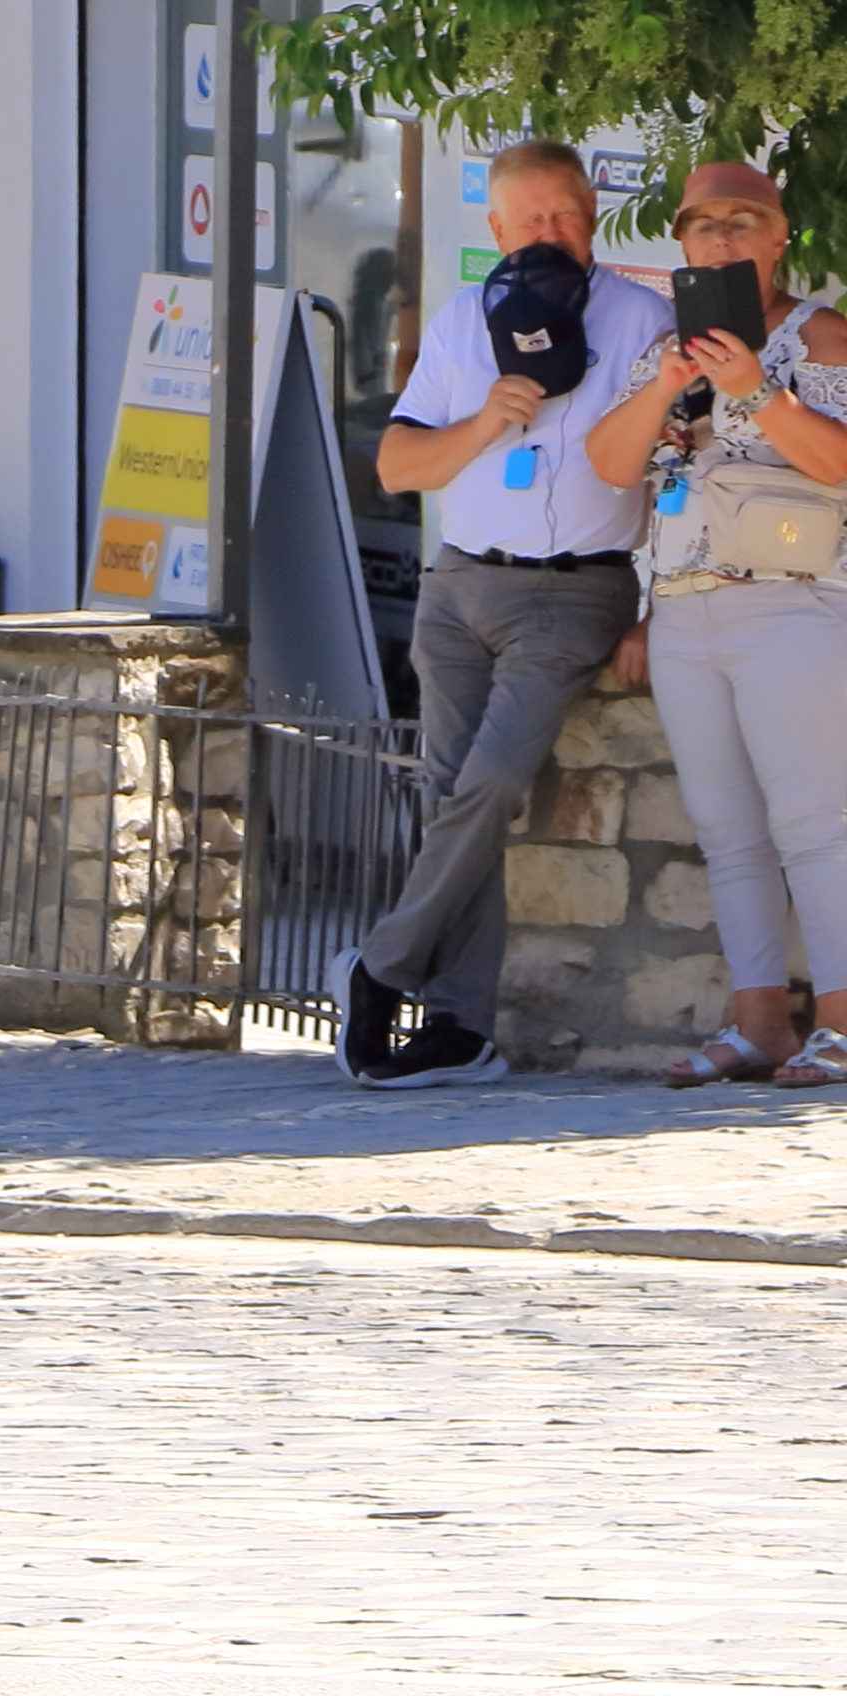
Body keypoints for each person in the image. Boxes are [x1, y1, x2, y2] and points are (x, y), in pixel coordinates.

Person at [328, 141, 673, 1088]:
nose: (546, 234)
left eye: (561, 215)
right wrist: (485, 420)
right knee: (451, 799)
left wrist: (658, 609)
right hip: (458, 588)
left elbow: (672, 473)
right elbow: (400, 469)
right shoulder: (460, 320)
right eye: (526, 221)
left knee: (488, 786)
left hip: (575, 592)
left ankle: (382, 965)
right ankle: (461, 1030)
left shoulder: (645, 321)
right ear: (496, 229)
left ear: (591, 211)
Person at [585, 162, 847, 1089]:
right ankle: (759, 1025)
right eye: (705, 226)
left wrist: (756, 390)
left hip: (799, 604)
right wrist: (667, 386)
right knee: (729, 831)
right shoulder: (665, 345)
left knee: (817, 824)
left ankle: (844, 1030)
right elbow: (614, 464)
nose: (724, 240)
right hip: (688, 609)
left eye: (744, 223)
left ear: (779, 240)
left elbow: (840, 465)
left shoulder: (818, 335)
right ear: (682, 245)